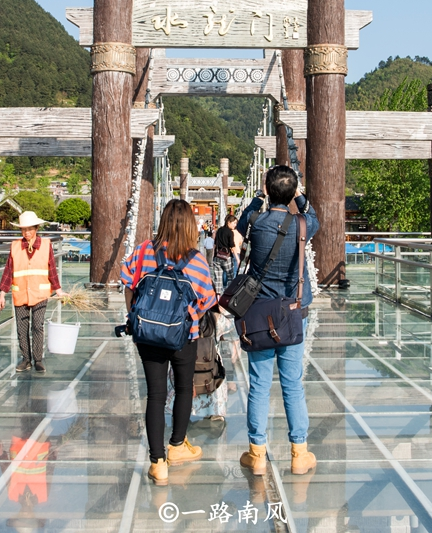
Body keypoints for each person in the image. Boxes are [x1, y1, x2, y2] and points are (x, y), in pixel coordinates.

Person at [121, 199, 218, 486]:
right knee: (184, 387)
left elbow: (128, 284)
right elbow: (207, 301)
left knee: (155, 394)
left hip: (147, 334)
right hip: (182, 336)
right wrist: (188, 316)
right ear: (190, 225)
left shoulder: (143, 251)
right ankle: (177, 445)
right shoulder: (196, 260)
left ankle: (157, 463)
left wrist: (134, 315)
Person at [236, 165, 320, 477]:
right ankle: (299, 452)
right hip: (294, 311)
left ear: (268, 190)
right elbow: (315, 219)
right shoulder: (301, 224)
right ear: (293, 192)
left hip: (259, 312)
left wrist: (260, 198)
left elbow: (242, 221)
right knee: (292, 383)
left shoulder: (255, 221)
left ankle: (257, 453)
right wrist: (299, 195)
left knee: (259, 383)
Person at [0, 211, 62, 373]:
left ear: (36, 228)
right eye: (24, 230)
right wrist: (2, 294)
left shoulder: (46, 245)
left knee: (37, 326)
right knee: (22, 327)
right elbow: (8, 271)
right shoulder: (15, 246)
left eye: (30, 229)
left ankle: (38, 359)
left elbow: (52, 269)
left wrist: (59, 291)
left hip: (40, 293)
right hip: (20, 293)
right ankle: (26, 359)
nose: (27, 233)